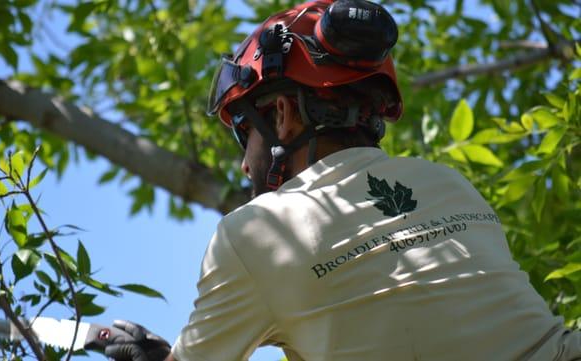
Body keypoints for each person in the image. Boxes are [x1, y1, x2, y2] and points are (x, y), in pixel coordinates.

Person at [103, 0, 581, 360]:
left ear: (284, 115)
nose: (245, 166)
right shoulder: (445, 179)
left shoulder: (255, 233)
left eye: (244, 132)